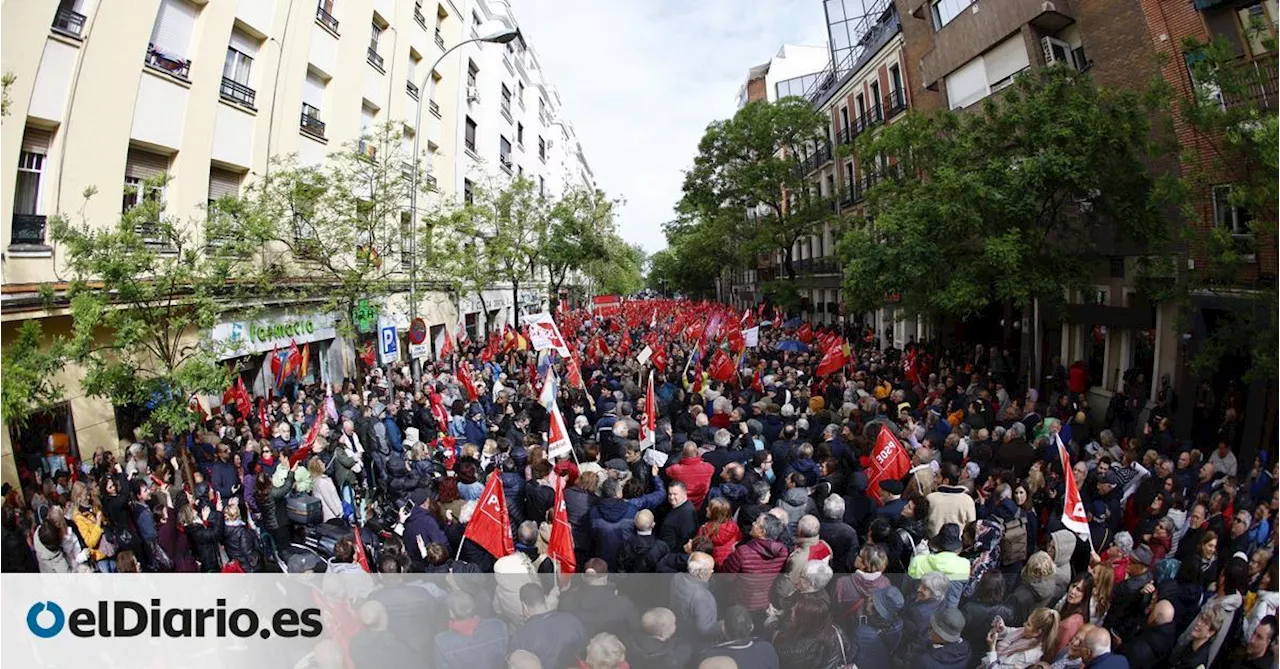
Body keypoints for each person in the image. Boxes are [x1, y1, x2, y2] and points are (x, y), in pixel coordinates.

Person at [721, 513, 790, 616]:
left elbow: (726, 576)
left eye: (756, 522)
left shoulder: (743, 552)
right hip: (765, 601)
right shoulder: (783, 551)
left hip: (741, 601)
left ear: (762, 532)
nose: (753, 523)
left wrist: (731, 555)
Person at [509, 583, 586, 669]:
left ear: (524, 606)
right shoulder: (572, 620)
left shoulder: (520, 636)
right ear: (545, 598)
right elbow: (584, 651)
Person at [771, 595, 851, 669]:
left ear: (803, 619)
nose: (791, 614)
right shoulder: (836, 631)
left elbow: (779, 660)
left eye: (794, 612)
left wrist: (771, 622)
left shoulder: (791, 645)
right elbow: (847, 651)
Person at [981, 607, 1060, 668]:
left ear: (1037, 633)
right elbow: (1011, 632)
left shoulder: (1028, 656)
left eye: (1028, 624)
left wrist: (992, 648)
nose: (1024, 624)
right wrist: (1002, 629)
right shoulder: (1026, 633)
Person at [670, 552, 719, 644]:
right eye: (710, 569)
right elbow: (705, 629)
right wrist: (722, 626)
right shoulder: (702, 596)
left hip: (680, 627)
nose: (712, 571)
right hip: (694, 640)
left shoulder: (677, 577)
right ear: (700, 573)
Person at [627, 607, 693, 669]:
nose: (675, 625)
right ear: (664, 633)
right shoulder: (677, 653)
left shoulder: (627, 643)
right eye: (673, 623)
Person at [1119, 600, 1176, 669]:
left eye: (1153, 610)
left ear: (1155, 617)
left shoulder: (1138, 648)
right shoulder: (1170, 637)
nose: (1150, 610)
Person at [1168, 605, 1226, 669]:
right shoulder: (1192, 645)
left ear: (1210, 633)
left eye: (1205, 623)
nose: (1199, 623)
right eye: (1201, 619)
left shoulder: (1196, 662)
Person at [698, 497, 742, 568]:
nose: (706, 508)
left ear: (715, 513)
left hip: (712, 563)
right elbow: (738, 540)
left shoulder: (704, 529)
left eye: (709, 508)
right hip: (729, 562)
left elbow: (699, 547)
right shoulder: (734, 526)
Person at [659, 481, 699, 556]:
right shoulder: (678, 506)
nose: (671, 497)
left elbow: (685, 539)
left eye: (675, 494)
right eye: (670, 494)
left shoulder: (687, 514)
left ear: (684, 494)